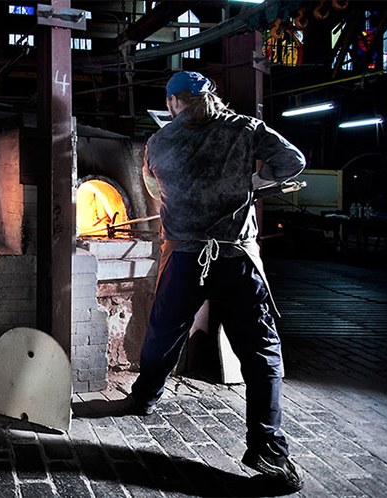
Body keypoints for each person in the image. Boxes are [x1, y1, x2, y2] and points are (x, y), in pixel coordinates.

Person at [130, 71, 306, 491]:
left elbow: (153, 184)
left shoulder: (161, 141)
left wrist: (180, 195)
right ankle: (268, 451)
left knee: (163, 332)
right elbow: (293, 162)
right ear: (211, 96)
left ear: (173, 103)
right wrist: (254, 183)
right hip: (235, 257)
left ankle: (145, 396)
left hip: (186, 254)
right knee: (261, 353)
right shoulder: (245, 128)